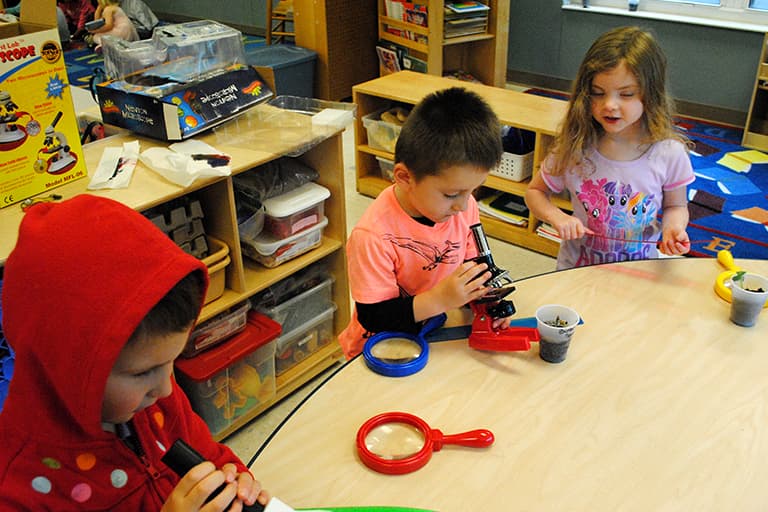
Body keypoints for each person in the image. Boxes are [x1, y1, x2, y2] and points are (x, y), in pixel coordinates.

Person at [0, 195, 269, 510]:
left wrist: (233, 480)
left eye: (171, 361)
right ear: (68, 367)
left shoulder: (154, 399)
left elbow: (208, 455)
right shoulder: (19, 486)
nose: (167, 388)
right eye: (143, 372)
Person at [338, 87, 509, 359]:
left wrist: (486, 302)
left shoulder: (462, 207)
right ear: (404, 177)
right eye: (451, 194)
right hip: (381, 348)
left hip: (434, 330)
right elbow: (374, 317)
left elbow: (473, 265)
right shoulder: (372, 236)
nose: (464, 206)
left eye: (473, 191)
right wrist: (440, 299)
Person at [524, 26, 694, 270]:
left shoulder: (669, 153)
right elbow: (535, 192)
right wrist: (557, 217)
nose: (609, 105)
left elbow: (675, 206)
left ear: (651, 94)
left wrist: (673, 228)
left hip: (638, 273)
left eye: (626, 94)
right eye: (597, 93)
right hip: (577, 270)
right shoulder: (575, 146)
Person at [0, 2, 71, 44]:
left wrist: (5, 11)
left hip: (56, 41)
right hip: (65, 39)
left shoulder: (32, 3)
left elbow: (17, 9)